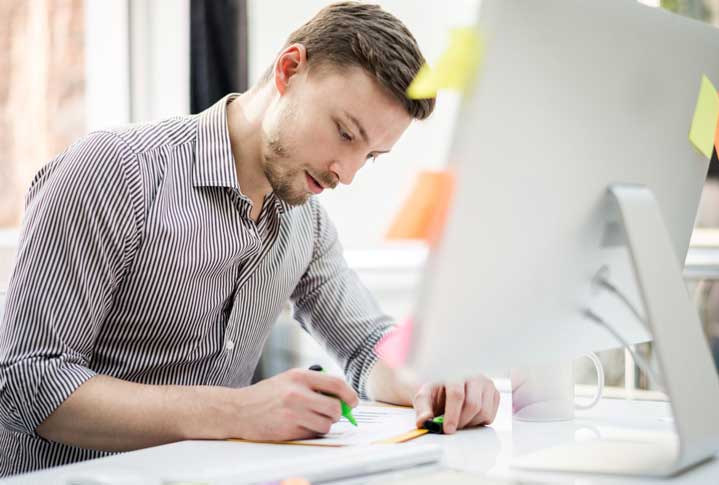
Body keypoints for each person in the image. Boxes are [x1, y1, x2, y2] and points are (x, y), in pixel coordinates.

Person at [0, 2, 500, 476]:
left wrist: (433, 381)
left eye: (370, 156)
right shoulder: (114, 174)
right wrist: (238, 411)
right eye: (345, 133)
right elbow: (27, 383)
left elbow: (368, 346)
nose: (346, 174)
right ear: (288, 70)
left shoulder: (307, 223)